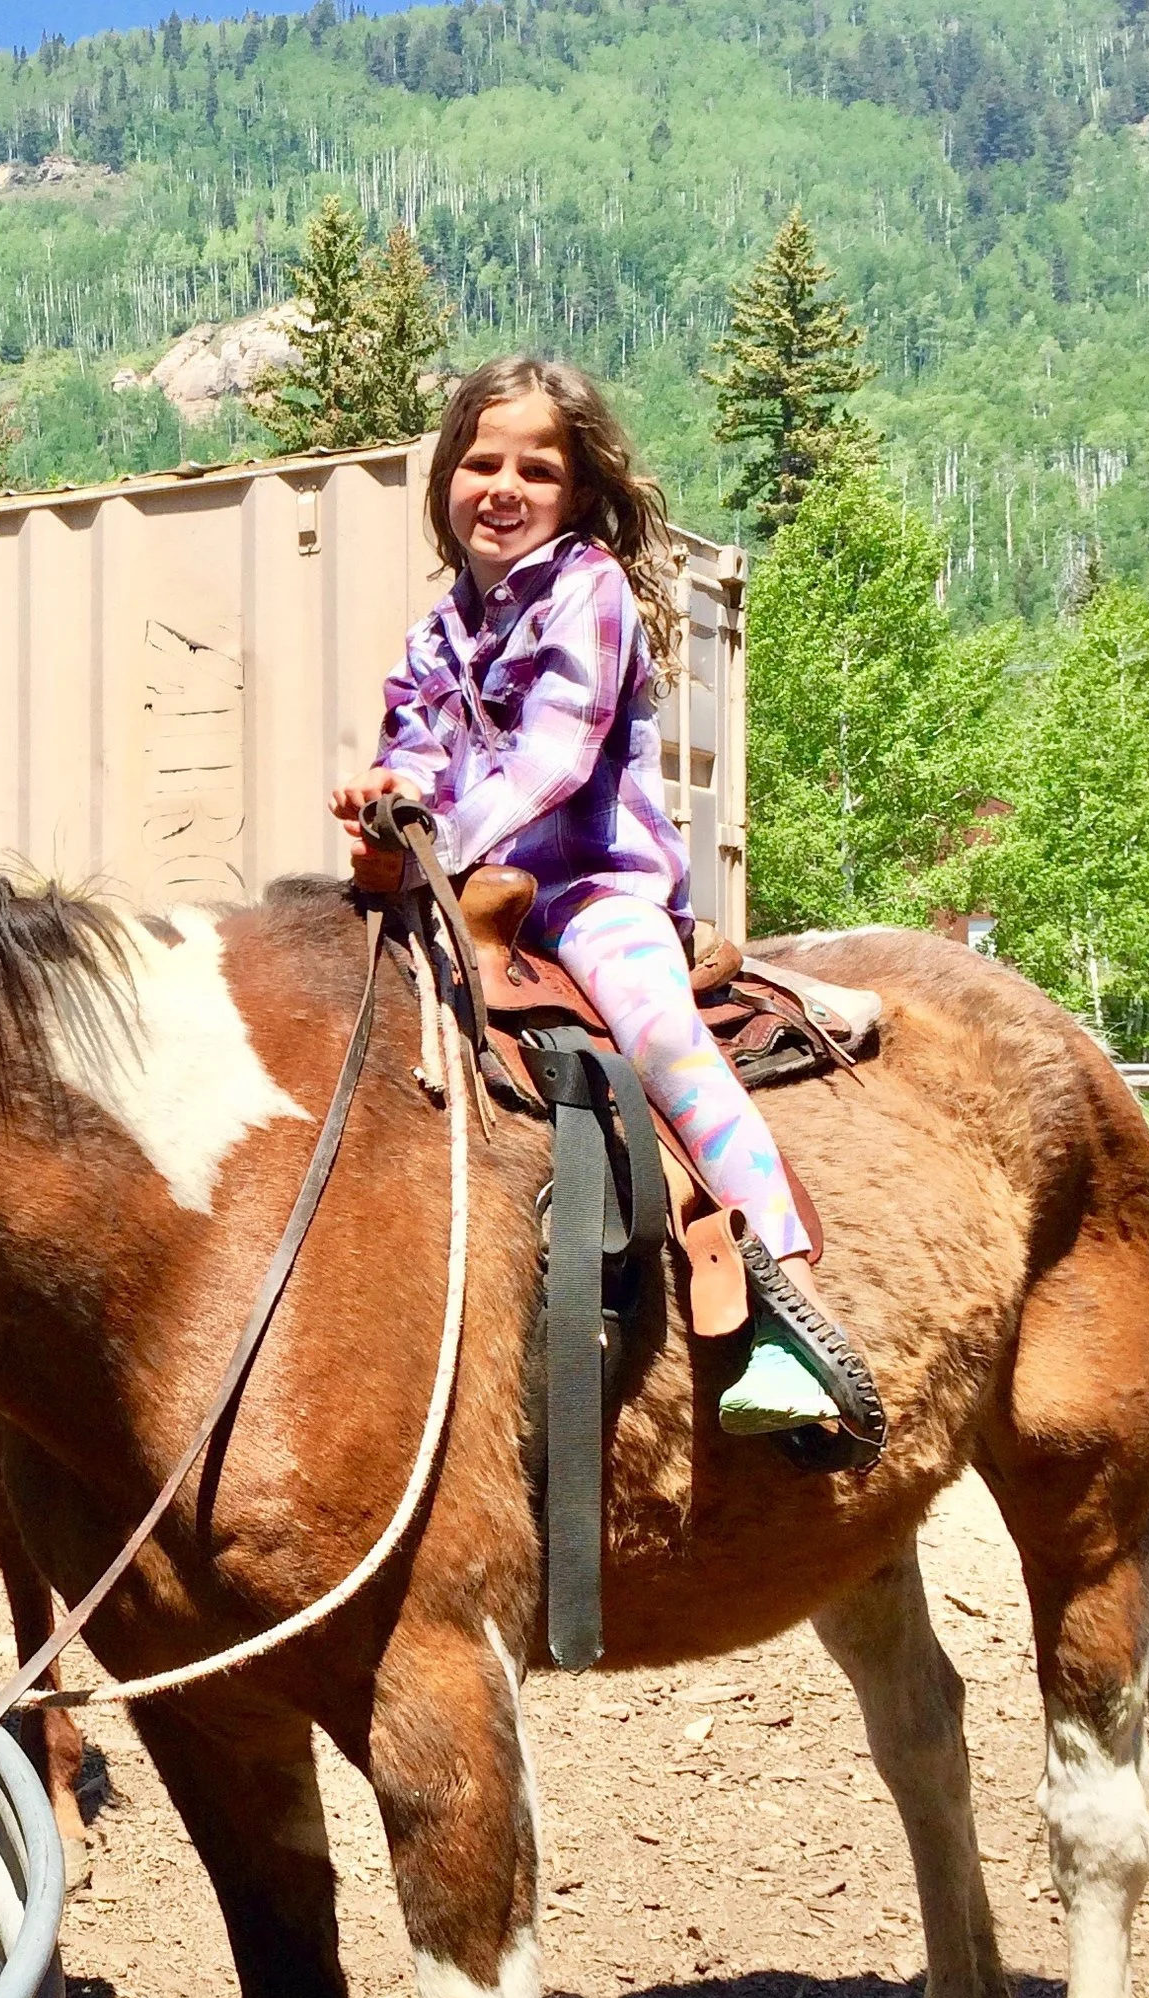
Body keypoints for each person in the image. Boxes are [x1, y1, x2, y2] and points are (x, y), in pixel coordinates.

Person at [331, 355, 869, 1438]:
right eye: (480, 461)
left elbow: (553, 760)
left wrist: (437, 838)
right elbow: (417, 747)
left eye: (536, 467)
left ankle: (784, 1298)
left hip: (589, 891)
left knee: (661, 1036)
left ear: (576, 492)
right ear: (446, 479)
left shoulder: (590, 589)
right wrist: (387, 800)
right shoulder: (437, 634)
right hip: (470, 897)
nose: (503, 486)